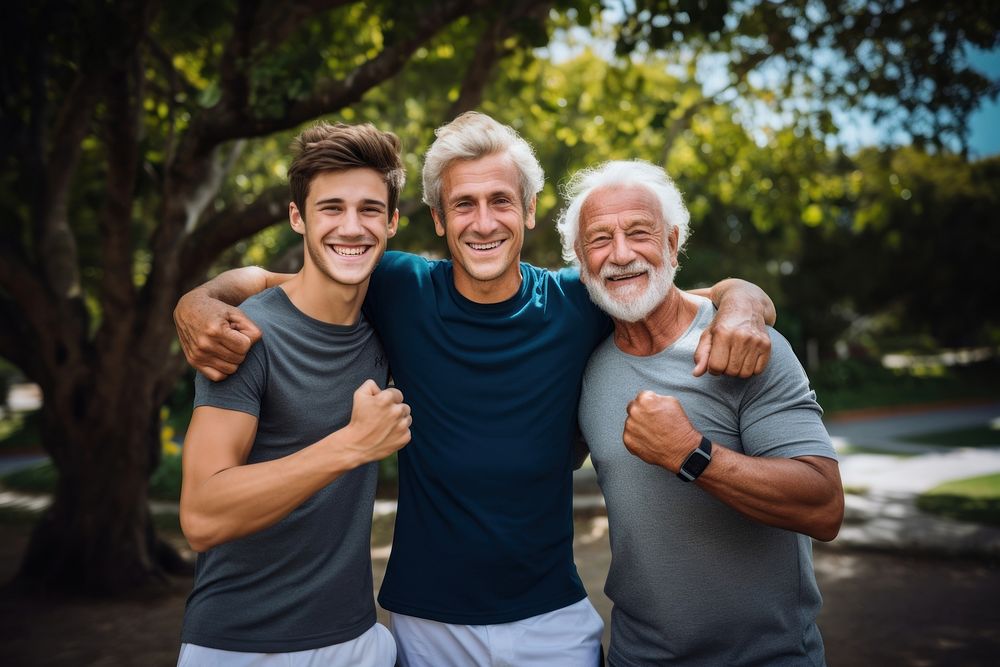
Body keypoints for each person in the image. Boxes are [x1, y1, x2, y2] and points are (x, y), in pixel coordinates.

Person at [174, 112, 776, 666]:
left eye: (500, 201)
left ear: (530, 210)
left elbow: (687, 294)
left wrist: (746, 302)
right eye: (463, 204)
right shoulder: (393, 284)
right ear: (438, 219)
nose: (483, 222)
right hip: (424, 622)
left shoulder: (580, 300)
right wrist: (197, 300)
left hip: (553, 622)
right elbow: (271, 280)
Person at [557, 159, 844, 666]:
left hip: (770, 657)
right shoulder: (583, 361)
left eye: (639, 233)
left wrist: (692, 455)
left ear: (672, 243)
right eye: (599, 240)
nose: (620, 254)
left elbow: (823, 507)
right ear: (580, 261)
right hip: (637, 658)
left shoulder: (746, 343)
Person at [176, 122, 412, 667]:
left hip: (358, 640)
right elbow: (201, 515)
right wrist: (351, 445)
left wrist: (203, 292)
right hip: (240, 647)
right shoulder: (242, 336)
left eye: (370, 209)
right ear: (297, 217)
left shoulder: (387, 316)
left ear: (393, 221)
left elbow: (264, 275)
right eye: (330, 208)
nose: (351, 227)